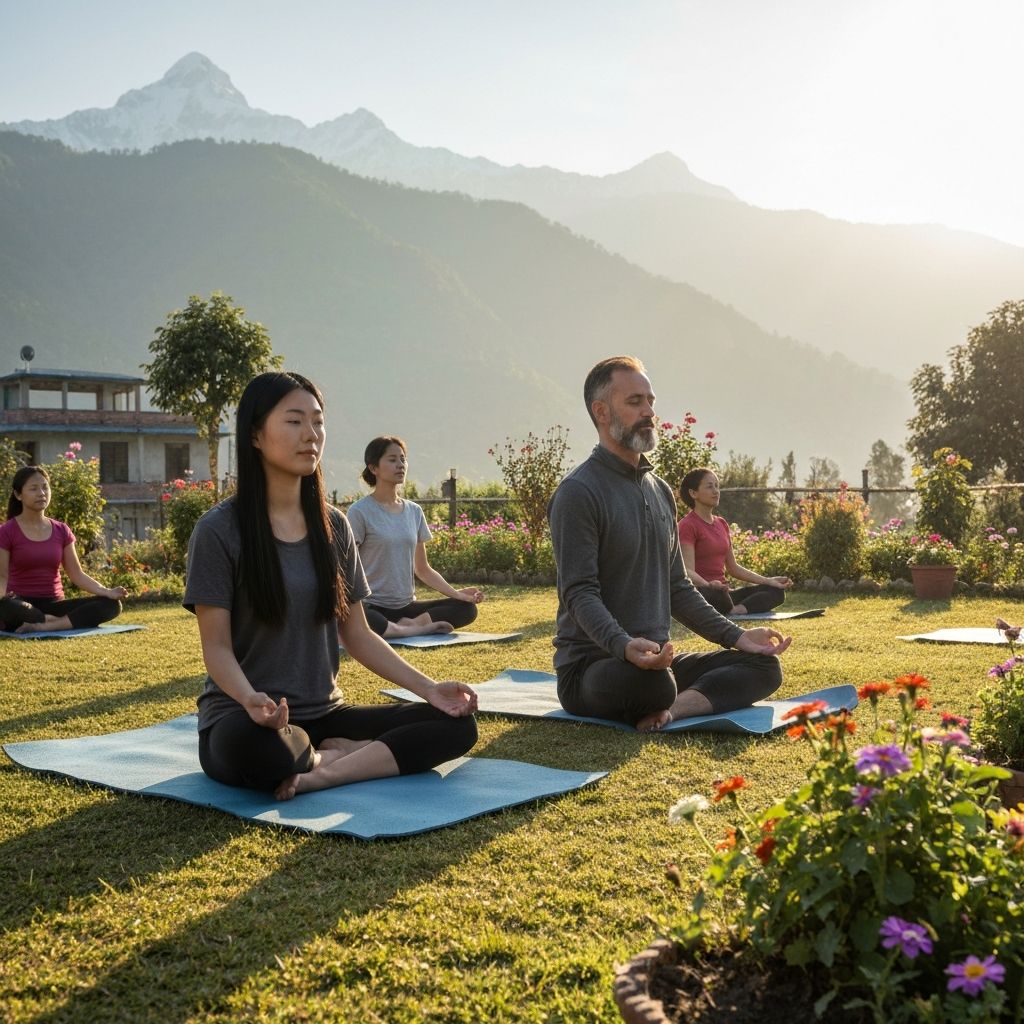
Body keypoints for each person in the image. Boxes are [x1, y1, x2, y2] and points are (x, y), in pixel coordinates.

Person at [183, 372, 478, 800]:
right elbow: (217, 648)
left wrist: (430, 689)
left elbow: (357, 633)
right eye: (294, 421)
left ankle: (326, 769)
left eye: (318, 422)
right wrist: (250, 700)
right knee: (264, 754)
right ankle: (337, 756)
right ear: (255, 435)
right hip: (246, 717)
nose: (311, 435)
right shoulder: (219, 531)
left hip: (326, 712)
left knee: (454, 723)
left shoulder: (333, 526)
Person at [547, 356, 791, 732]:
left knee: (763, 664)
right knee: (654, 684)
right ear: (600, 411)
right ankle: (664, 696)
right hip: (593, 667)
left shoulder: (659, 490)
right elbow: (579, 593)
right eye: (635, 402)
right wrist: (625, 646)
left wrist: (737, 635)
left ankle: (672, 710)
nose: (648, 411)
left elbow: (678, 587)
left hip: (658, 661)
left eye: (651, 401)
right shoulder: (579, 492)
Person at [346, 436, 484, 638]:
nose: (400, 465)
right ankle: (419, 629)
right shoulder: (359, 512)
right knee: (362, 619)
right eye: (392, 460)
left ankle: (409, 626)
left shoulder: (414, 511)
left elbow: (423, 569)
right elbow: (347, 566)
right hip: (372, 606)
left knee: (466, 609)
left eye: (403, 459)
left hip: (406, 608)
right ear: (374, 468)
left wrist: (458, 594)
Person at [0, 465, 127, 633]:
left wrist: (106, 591)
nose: (42, 493)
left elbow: (77, 575)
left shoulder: (61, 530)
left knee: (111, 605)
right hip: (21, 604)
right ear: (18, 495)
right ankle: (55, 622)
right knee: (6, 606)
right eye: (33, 488)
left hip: (55, 605)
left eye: (45, 487)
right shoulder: (6, 531)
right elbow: (2, 577)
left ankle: (47, 624)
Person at [677, 467, 793, 616]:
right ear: (693, 493)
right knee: (717, 596)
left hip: (724, 594)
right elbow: (687, 571)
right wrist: (710, 585)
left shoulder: (721, 523)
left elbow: (733, 568)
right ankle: (728, 607)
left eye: (717, 486)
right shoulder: (687, 525)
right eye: (709, 486)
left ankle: (736, 610)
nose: (716, 491)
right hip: (703, 593)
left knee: (776, 591)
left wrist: (768, 581)